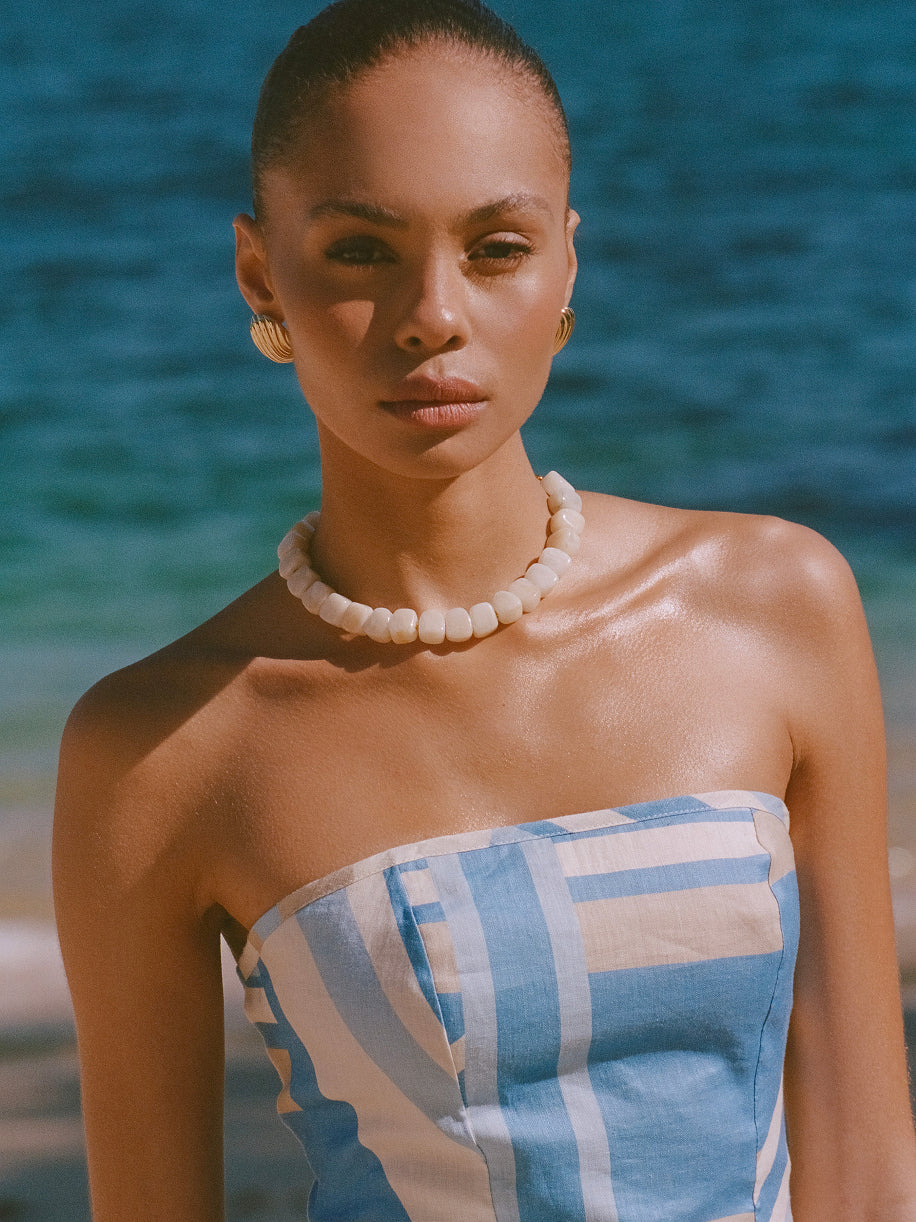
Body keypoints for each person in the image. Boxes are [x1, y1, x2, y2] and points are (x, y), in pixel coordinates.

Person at [53, 1, 916, 1218]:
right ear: (260, 272)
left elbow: (871, 1173)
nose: (433, 314)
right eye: (361, 250)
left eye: (496, 248)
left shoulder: (774, 607)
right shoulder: (160, 751)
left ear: (567, 261)